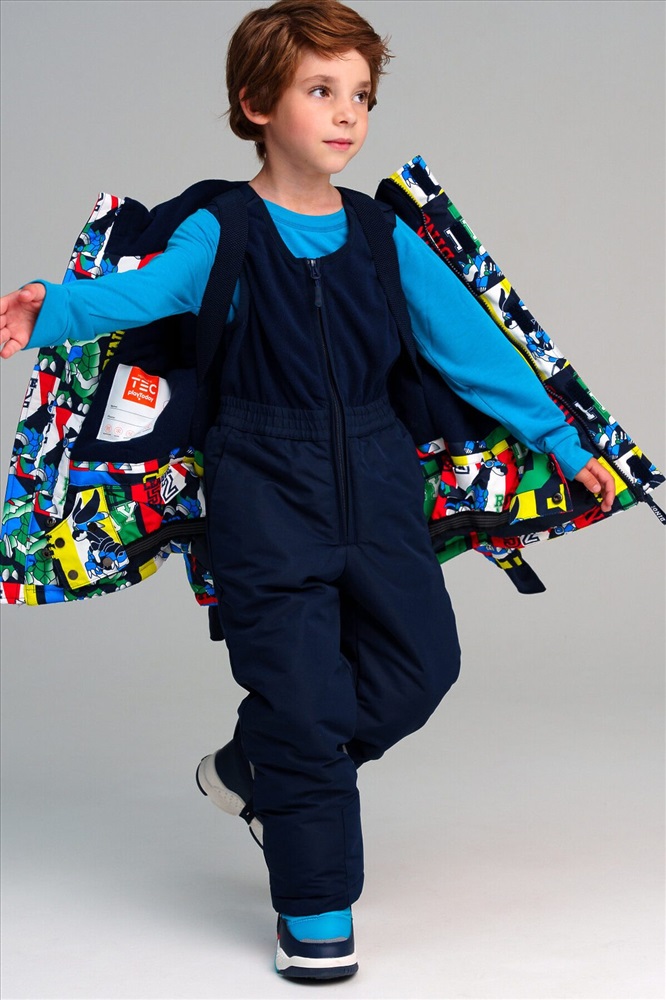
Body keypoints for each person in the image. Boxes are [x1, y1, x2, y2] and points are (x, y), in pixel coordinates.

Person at [0, 0, 615, 982]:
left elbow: (472, 347)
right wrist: (50, 308)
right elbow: (141, 294)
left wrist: (562, 438)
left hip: (381, 479)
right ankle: (316, 907)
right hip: (261, 486)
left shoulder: (379, 234)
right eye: (320, 91)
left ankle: (259, 769)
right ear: (255, 104)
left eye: (360, 95)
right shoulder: (222, 232)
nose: (346, 114)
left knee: (422, 667)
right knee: (301, 691)